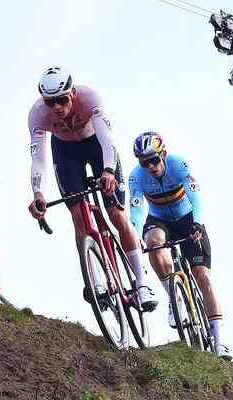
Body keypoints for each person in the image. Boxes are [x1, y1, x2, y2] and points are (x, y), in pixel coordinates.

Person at [26, 66, 157, 311]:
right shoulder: (37, 115)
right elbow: (39, 160)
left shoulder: (90, 98)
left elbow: (107, 139)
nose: (56, 108)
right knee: (78, 216)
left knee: (116, 215)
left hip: (96, 147)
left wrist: (108, 171)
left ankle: (141, 283)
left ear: (72, 93)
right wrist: (38, 194)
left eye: (62, 100)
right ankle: (95, 281)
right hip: (66, 153)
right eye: (50, 102)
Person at [128, 131, 231, 360]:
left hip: (187, 219)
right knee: (152, 242)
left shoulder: (178, 164)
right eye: (145, 162)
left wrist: (197, 224)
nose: (151, 166)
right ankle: (174, 299)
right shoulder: (136, 177)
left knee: (202, 277)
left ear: (163, 154)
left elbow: (196, 196)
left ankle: (219, 341)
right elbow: (135, 210)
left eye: (154, 159)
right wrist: (135, 233)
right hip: (159, 220)